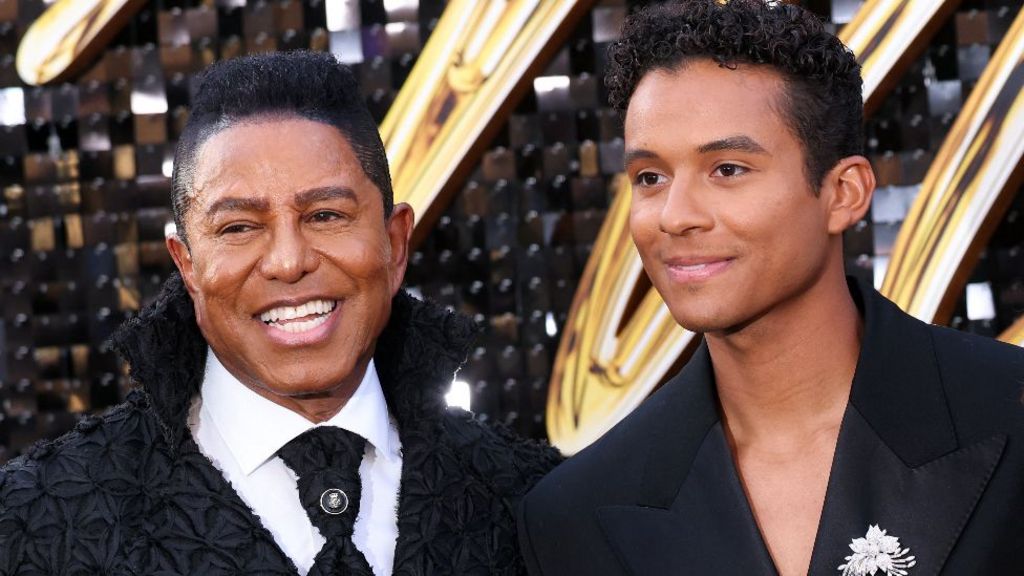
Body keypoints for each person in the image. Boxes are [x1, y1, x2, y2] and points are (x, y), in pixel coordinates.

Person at [0, 51, 560, 576]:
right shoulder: (26, 523)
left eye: (325, 215)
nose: (289, 262)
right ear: (188, 266)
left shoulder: (535, 501)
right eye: (239, 228)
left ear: (396, 245)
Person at [517, 1, 1024, 575]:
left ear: (844, 193)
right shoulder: (573, 515)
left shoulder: (1009, 412)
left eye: (728, 169)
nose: (675, 215)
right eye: (650, 178)